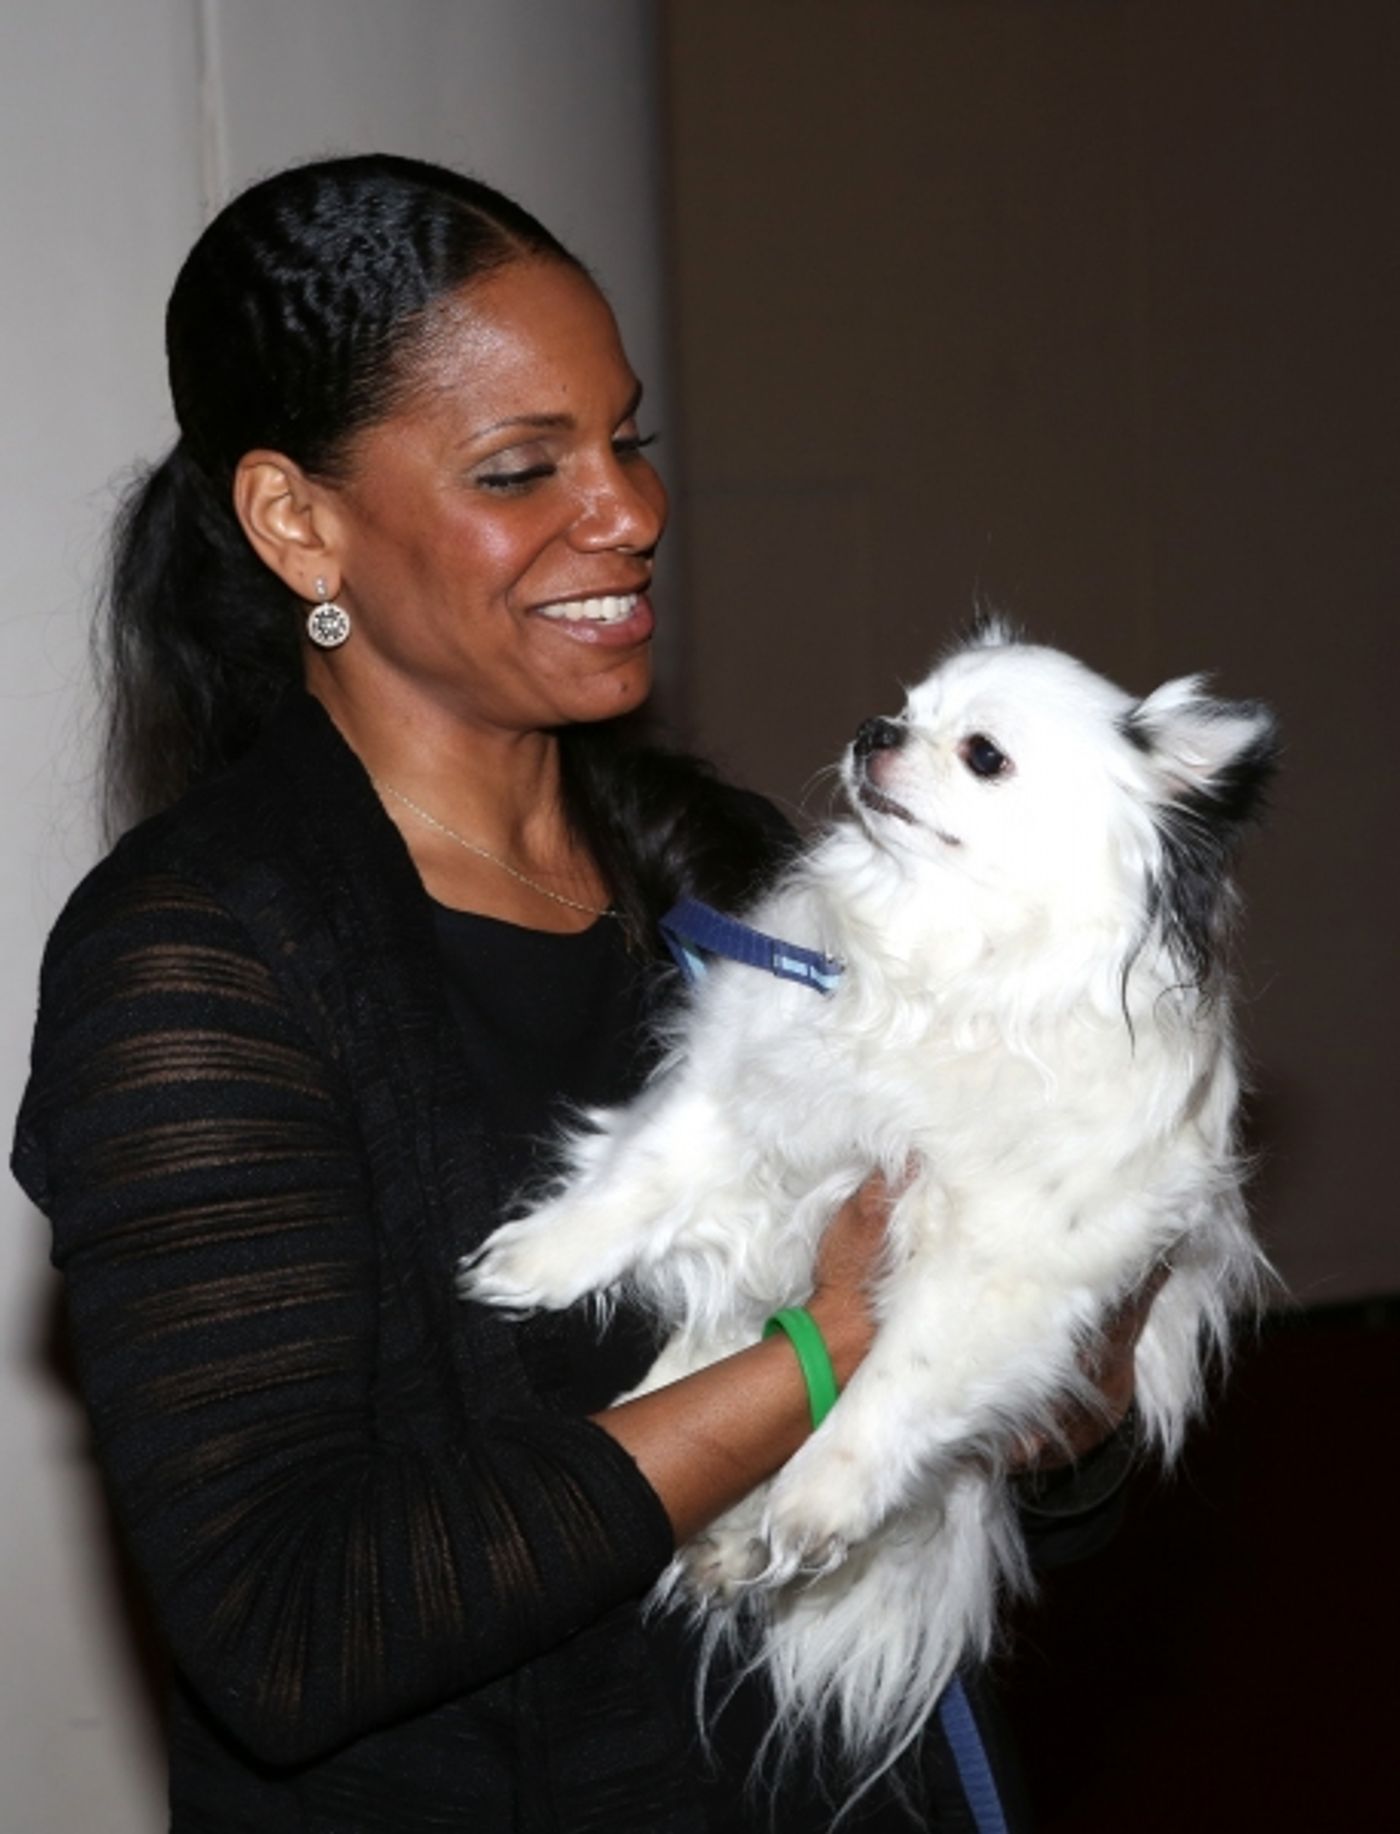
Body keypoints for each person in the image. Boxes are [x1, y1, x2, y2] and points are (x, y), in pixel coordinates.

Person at [13, 154, 1145, 1832]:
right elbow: (292, 1627)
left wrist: (1064, 1357)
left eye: (628, 440)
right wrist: (831, 1350)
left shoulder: (754, 879)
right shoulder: (195, 962)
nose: (623, 511)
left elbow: (1002, 1506)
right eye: (520, 467)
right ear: (296, 521)